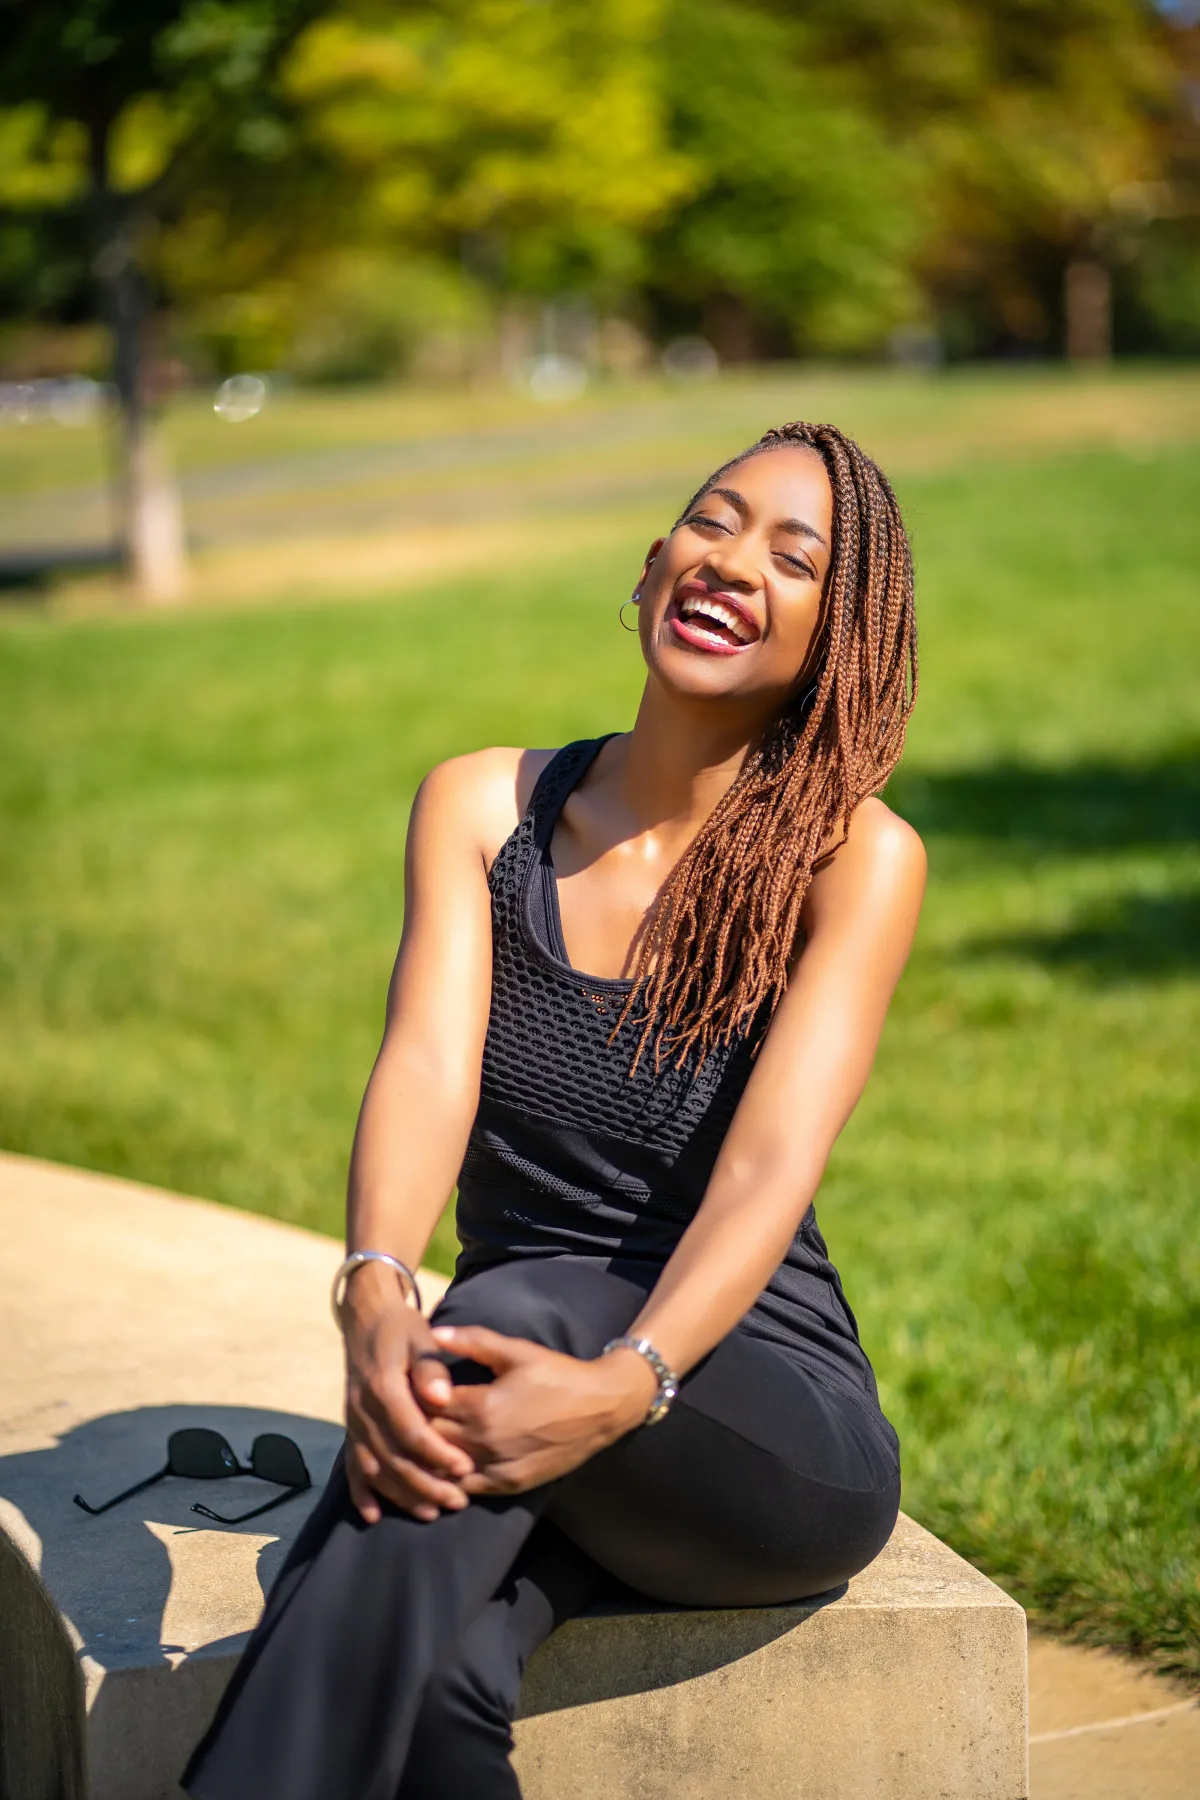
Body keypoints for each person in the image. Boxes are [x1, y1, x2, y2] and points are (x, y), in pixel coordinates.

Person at [184, 420, 926, 1800]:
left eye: (795, 558)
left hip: (752, 1425)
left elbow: (768, 1171)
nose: (733, 563)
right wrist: (374, 1292)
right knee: (435, 1685)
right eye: (713, 522)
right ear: (651, 566)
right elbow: (426, 1066)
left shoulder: (853, 860)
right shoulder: (483, 807)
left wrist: (625, 1380)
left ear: (838, 638)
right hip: (511, 1382)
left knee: (504, 1313)